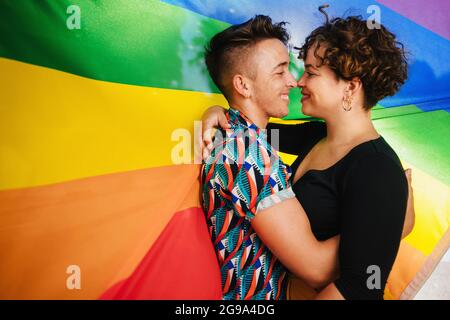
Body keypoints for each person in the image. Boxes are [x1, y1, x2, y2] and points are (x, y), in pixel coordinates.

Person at [201, 12, 415, 300]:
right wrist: (216, 112)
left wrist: (380, 235)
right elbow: (255, 129)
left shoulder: (376, 169)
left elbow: (361, 286)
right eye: (287, 71)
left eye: (311, 73)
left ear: (350, 87)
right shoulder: (314, 135)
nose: (298, 82)